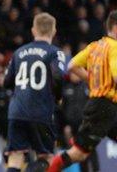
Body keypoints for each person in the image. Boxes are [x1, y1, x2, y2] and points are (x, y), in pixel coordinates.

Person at [48, 10, 117, 172]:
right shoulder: (115, 48)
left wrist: (93, 81)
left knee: (80, 154)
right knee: (78, 154)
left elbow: (72, 65)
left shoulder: (94, 46)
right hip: (103, 109)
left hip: (106, 106)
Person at [3, 13, 66, 172]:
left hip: (17, 111)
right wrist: (58, 97)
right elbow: (58, 76)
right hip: (41, 110)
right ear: (54, 31)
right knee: (46, 157)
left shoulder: (18, 52)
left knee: (15, 156)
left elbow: (6, 82)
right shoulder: (55, 52)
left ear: (33, 30)